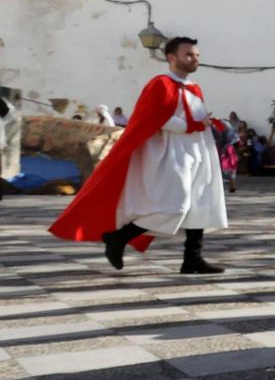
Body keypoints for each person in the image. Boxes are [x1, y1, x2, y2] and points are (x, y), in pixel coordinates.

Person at [50, 36, 227, 273]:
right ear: (171, 58)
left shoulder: (193, 88)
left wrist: (200, 127)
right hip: (170, 154)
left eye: (196, 55)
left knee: (199, 203)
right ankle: (119, 237)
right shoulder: (160, 84)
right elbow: (154, 117)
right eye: (188, 55)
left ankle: (192, 258)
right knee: (175, 205)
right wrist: (192, 125)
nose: (194, 59)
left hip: (196, 150)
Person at [213, 118, 239, 194]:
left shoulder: (228, 131)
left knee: (228, 168)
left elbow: (235, 141)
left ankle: (230, 185)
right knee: (228, 169)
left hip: (226, 151)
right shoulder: (217, 130)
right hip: (224, 150)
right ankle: (230, 185)